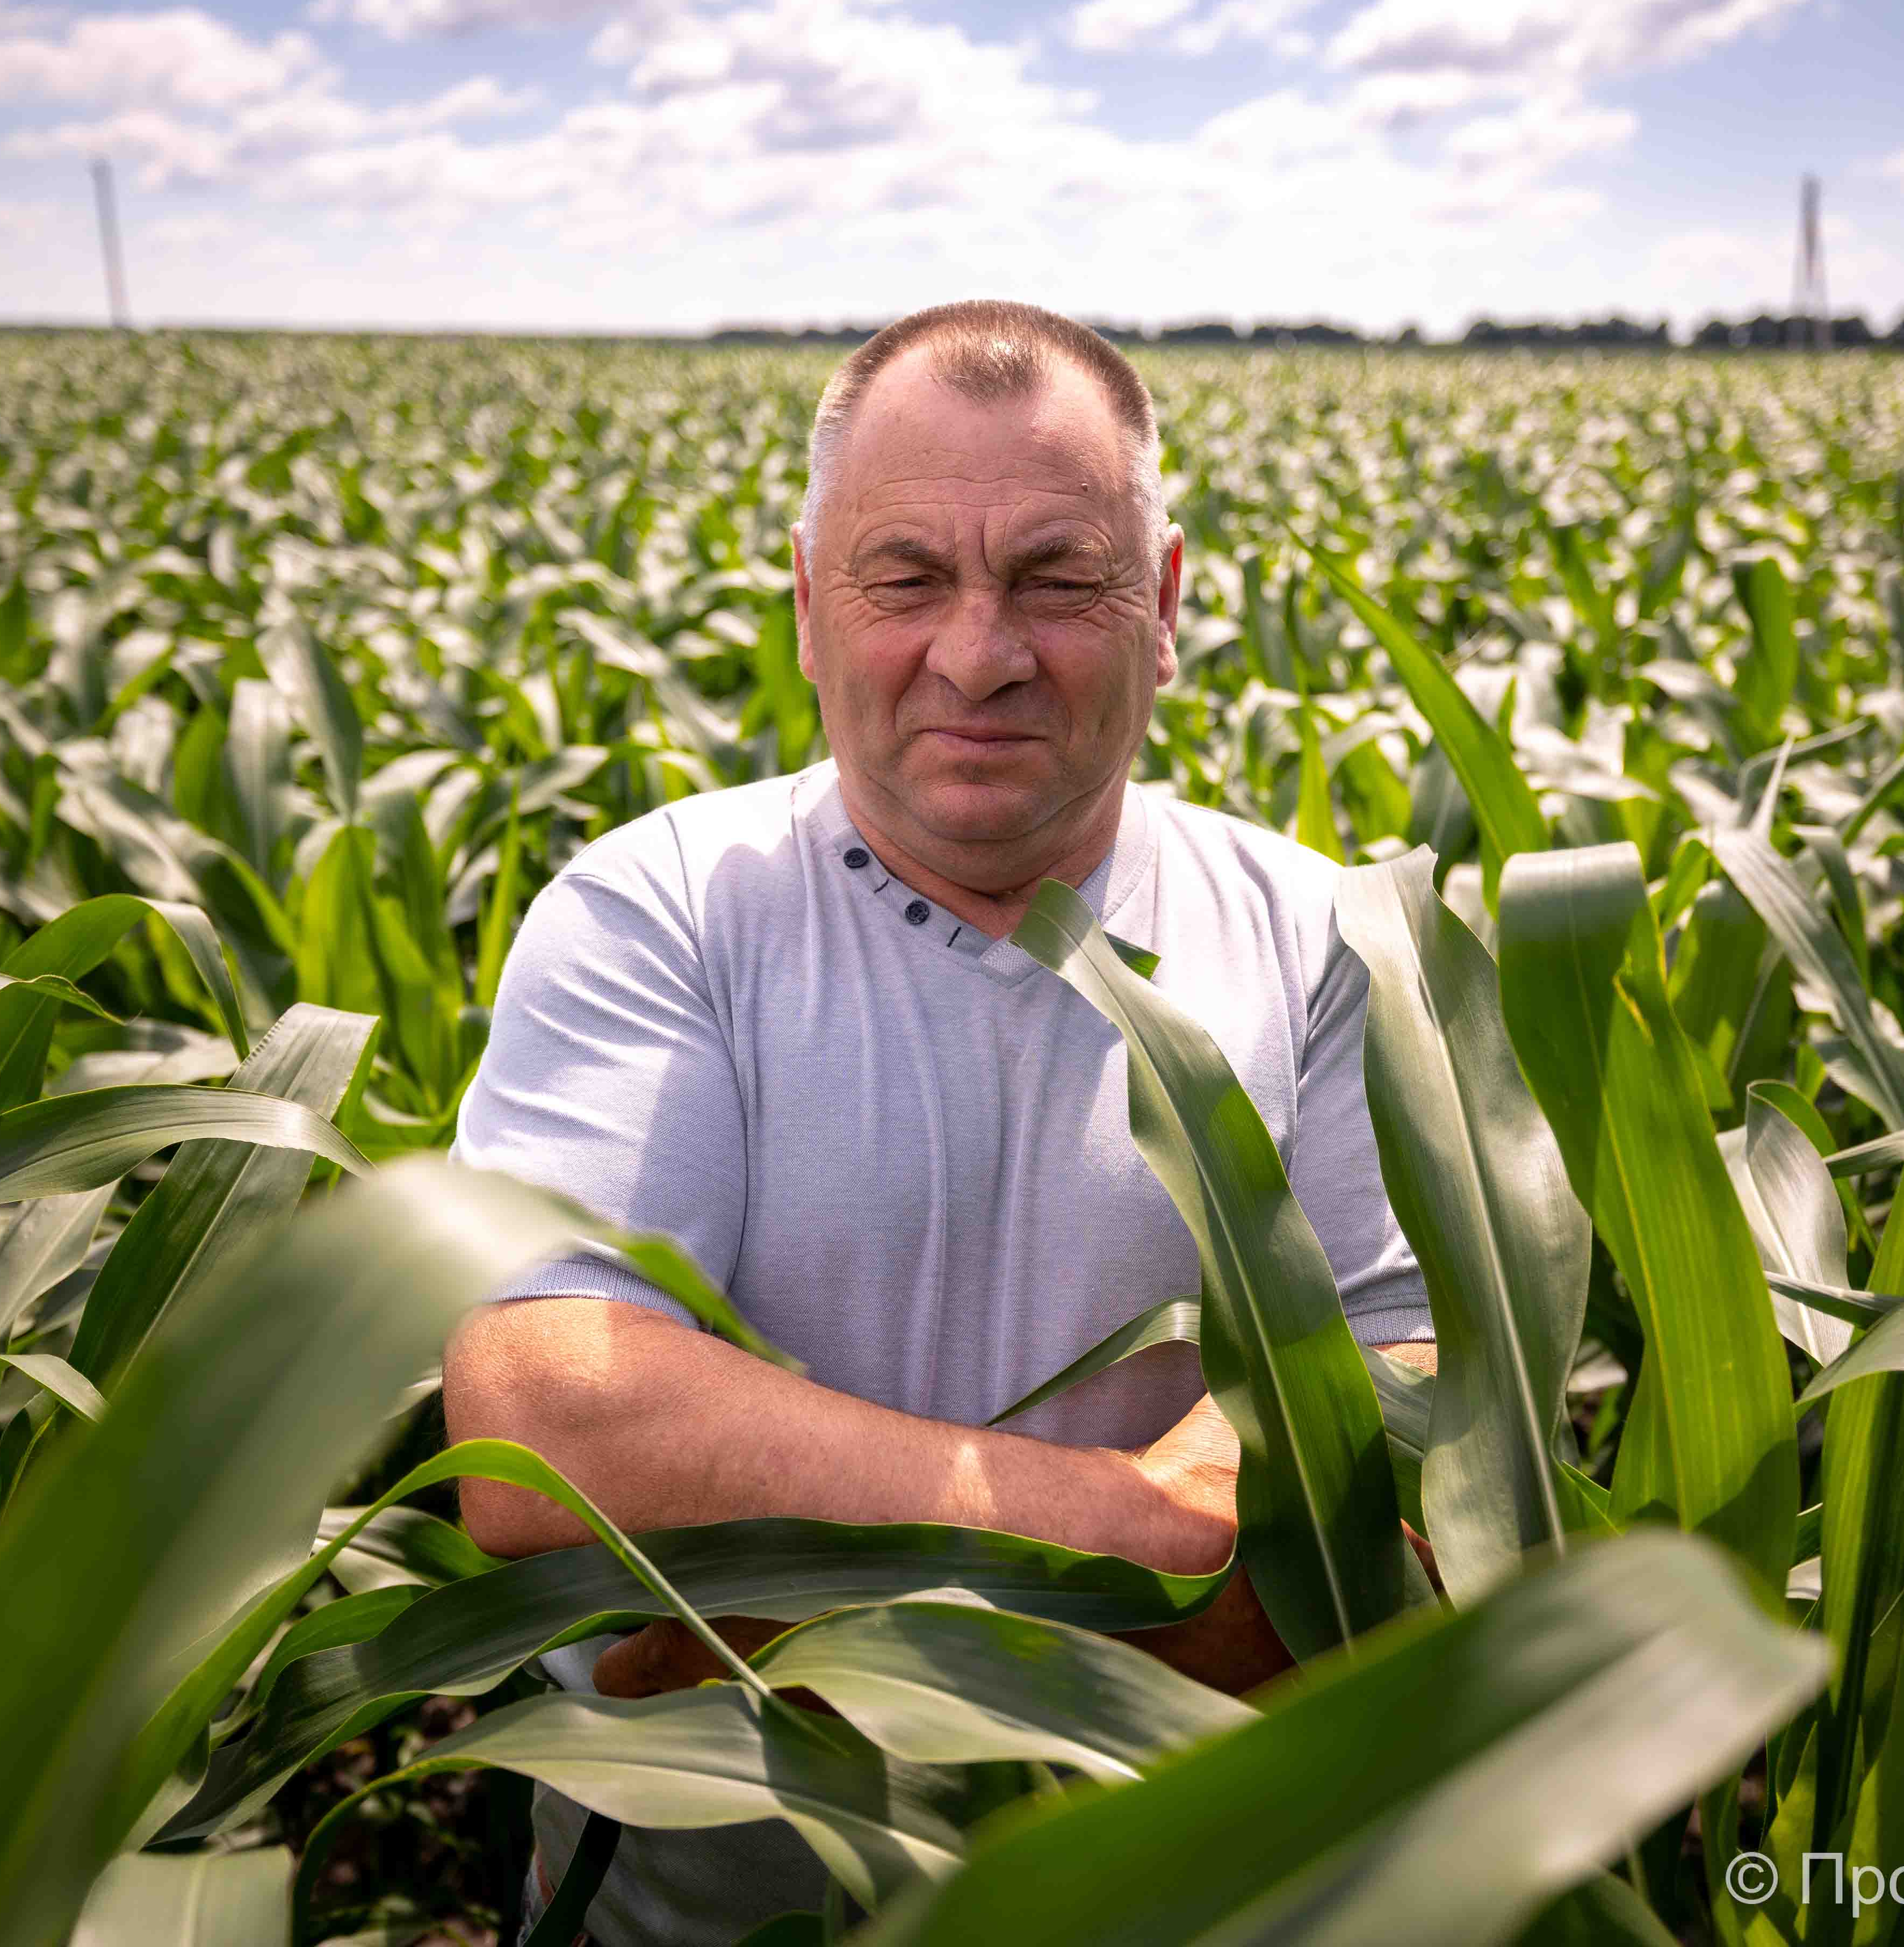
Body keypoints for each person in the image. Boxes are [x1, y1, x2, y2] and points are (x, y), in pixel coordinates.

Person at [445, 299, 1433, 1946]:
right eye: (908, 578)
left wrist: (773, 1614)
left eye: (1058, 578)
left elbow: (1406, 1515)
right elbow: (553, 1433)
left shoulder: (1326, 944)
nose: (979, 652)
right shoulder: (663, 915)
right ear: (812, 604)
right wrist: (1144, 1525)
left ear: (1167, 605)